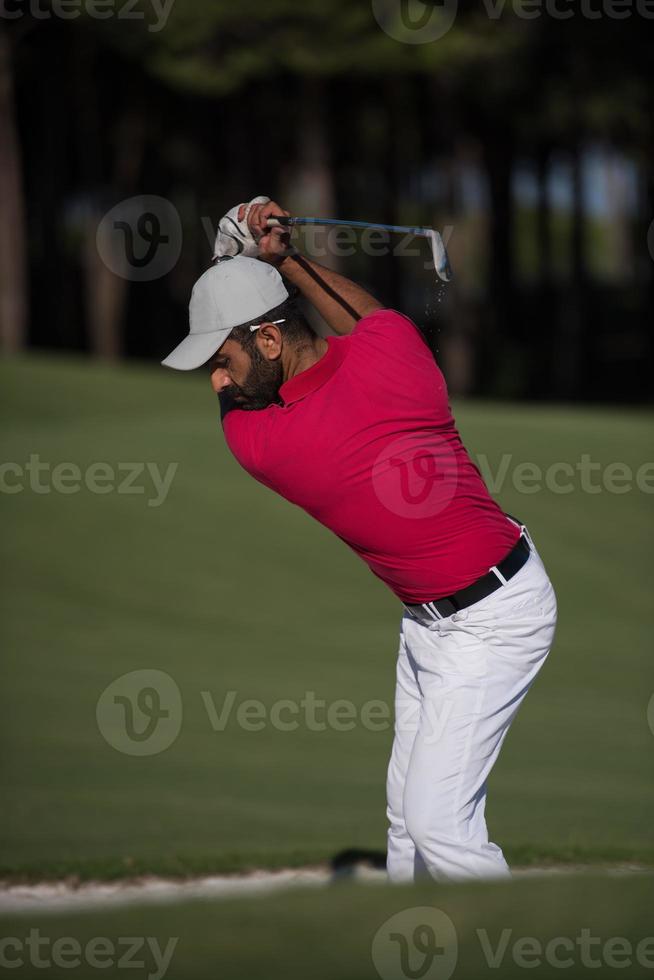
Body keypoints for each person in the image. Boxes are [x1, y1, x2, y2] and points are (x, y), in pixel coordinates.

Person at [162, 197, 558, 882]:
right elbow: (370, 319)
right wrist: (281, 260)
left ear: (267, 340)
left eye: (220, 361)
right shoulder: (397, 356)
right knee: (407, 821)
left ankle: (514, 940)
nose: (217, 383)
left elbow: (287, 359)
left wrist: (238, 262)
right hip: (430, 624)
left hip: (498, 619)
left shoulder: (267, 444)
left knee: (437, 823)